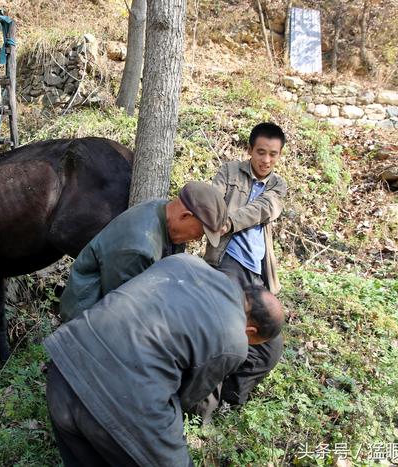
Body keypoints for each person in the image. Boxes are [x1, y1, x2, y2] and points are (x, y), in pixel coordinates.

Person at [45, 253, 284, 467]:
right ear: (251, 331)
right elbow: (187, 397)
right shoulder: (235, 341)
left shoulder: (184, 262)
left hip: (65, 366)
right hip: (122, 403)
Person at [204, 122, 288, 407]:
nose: (266, 160)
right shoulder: (229, 172)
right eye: (261, 152)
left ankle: (232, 398)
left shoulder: (278, 185)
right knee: (223, 331)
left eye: (273, 154)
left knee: (270, 347)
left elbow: (264, 209)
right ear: (249, 150)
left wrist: (230, 221)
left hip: (257, 274)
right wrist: (219, 218)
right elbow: (212, 200)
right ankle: (205, 403)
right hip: (227, 263)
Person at [59, 181, 227, 322]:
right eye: (200, 233)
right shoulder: (139, 248)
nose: (197, 239)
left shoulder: (161, 208)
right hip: (85, 317)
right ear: (185, 216)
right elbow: (125, 308)